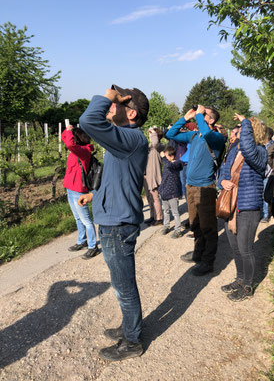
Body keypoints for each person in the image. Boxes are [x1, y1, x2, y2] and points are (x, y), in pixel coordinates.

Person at [78, 85, 149, 361]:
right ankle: (128, 326)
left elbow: (88, 121)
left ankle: (132, 342)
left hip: (118, 225)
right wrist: (93, 194)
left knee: (124, 287)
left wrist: (108, 96)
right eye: (112, 102)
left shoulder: (131, 138)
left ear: (130, 112)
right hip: (113, 220)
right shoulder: (124, 139)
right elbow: (116, 179)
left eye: (118, 103)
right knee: (121, 285)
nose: (111, 106)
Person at [166, 105, 225, 276]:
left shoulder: (216, 138)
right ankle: (198, 253)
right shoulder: (194, 135)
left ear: (211, 120)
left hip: (204, 188)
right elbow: (171, 135)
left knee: (208, 227)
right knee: (195, 224)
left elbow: (207, 133)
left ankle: (208, 261)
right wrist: (185, 118)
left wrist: (199, 115)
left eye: (204, 114)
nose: (200, 115)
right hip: (190, 187)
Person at [219, 114, 268, 301]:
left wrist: (246, 121)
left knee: (245, 249)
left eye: (244, 128)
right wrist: (222, 182)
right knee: (235, 248)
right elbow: (223, 172)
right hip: (231, 206)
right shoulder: (234, 150)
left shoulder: (259, 151)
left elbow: (248, 148)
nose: (239, 130)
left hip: (248, 208)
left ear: (251, 131)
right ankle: (239, 279)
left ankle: (247, 286)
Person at [61, 125, 99, 259]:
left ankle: (93, 246)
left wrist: (70, 131)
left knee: (86, 220)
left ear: (77, 140)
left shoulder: (83, 151)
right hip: (70, 189)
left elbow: (70, 144)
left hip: (78, 190)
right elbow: (65, 139)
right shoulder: (77, 150)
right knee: (77, 218)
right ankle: (82, 241)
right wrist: (68, 130)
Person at [159, 146, 183, 238]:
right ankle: (166, 226)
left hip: (173, 193)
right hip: (164, 192)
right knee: (166, 211)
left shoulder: (176, 163)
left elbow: (169, 165)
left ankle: (177, 230)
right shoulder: (167, 163)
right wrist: (161, 189)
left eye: (167, 156)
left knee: (175, 212)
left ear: (172, 156)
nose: (165, 158)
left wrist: (164, 157)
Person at [143, 127, 165, 226]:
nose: (150, 136)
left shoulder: (159, 146)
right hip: (147, 176)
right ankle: (153, 216)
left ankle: (159, 218)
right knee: (149, 197)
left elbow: (155, 143)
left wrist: (153, 131)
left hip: (154, 176)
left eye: (152, 135)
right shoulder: (150, 147)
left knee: (155, 197)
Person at [261, 127, 274, 222]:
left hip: (268, 173)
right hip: (261, 172)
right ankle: (262, 213)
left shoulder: (273, 145)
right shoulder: (260, 144)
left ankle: (266, 215)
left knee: (265, 194)